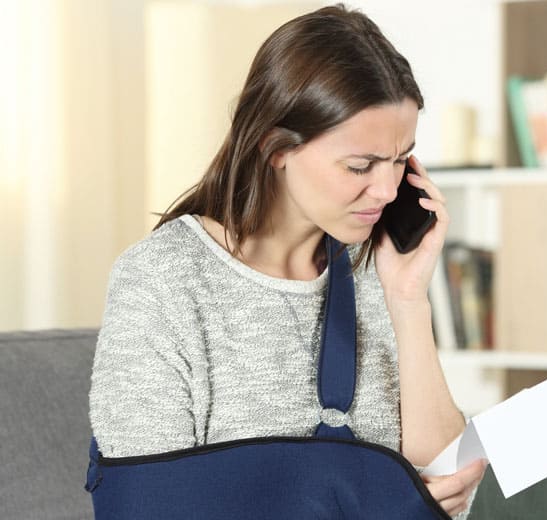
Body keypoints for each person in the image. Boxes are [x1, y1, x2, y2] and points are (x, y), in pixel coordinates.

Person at [88, 3, 485, 517]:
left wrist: (408, 301)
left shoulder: (376, 269)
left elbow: (445, 492)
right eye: (360, 165)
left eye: (400, 159)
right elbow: (146, 506)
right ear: (276, 147)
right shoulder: (162, 282)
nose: (387, 190)